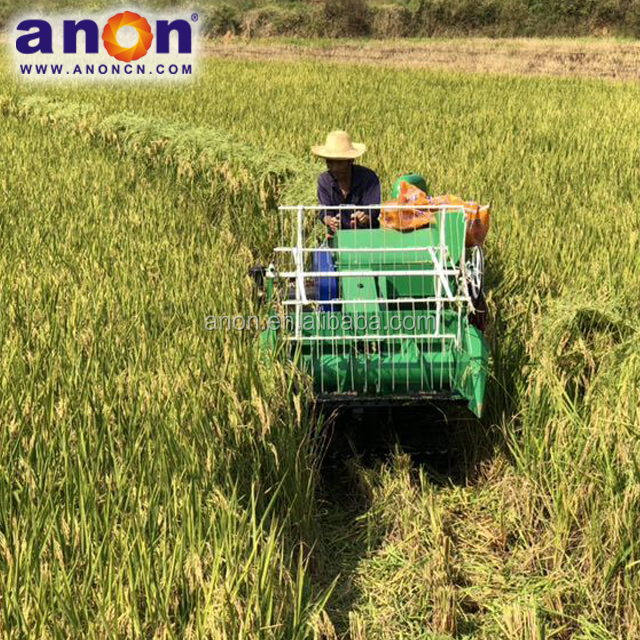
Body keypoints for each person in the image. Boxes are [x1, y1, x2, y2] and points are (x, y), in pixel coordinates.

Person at [311, 130, 381, 233]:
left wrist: (365, 217)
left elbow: (373, 210)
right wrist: (330, 221)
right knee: (319, 250)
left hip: (367, 236)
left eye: (339, 163)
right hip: (337, 238)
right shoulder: (324, 180)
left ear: (350, 160)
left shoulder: (369, 178)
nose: (334, 168)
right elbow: (325, 211)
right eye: (330, 162)